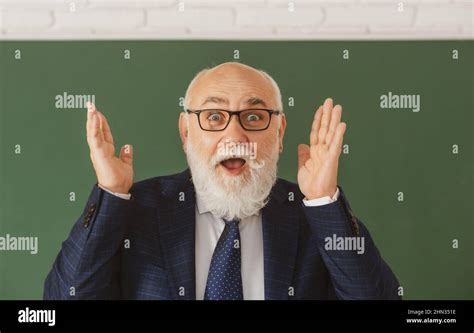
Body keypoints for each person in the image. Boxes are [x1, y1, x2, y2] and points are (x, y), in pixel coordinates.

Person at [44, 62, 400, 300]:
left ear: (279, 133)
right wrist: (111, 193)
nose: (235, 134)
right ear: (186, 132)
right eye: (214, 116)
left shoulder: (312, 215)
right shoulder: (136, 209)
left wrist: (324, 200)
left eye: (254, 116)